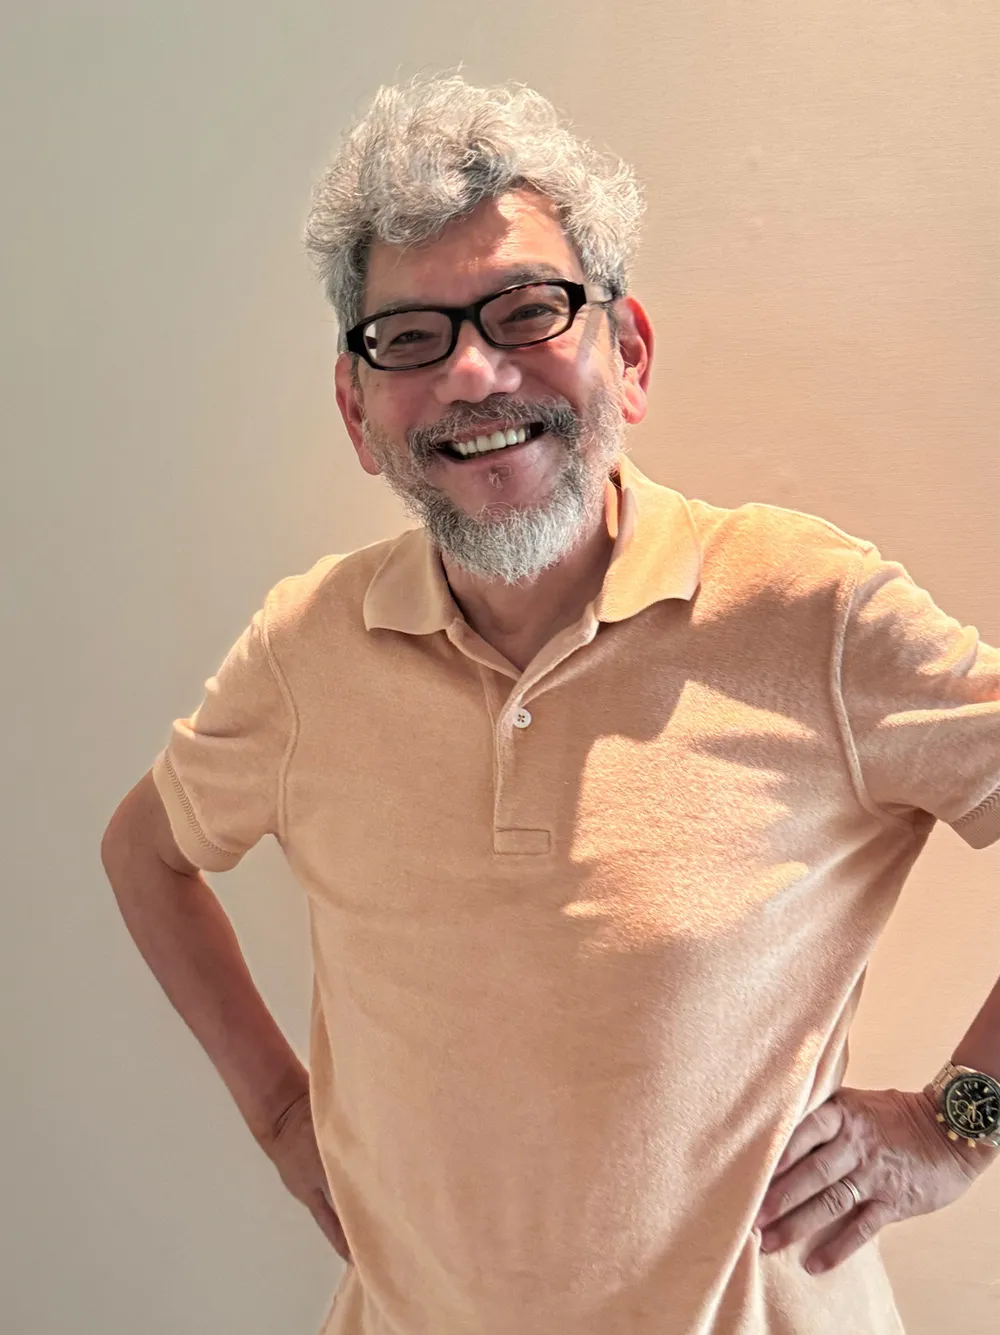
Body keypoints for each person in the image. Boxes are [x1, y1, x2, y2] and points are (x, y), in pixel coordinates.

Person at [100, 72, 1000, 1335]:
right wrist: (282, 1114)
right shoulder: (306, 653)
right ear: (358, 411)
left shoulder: (810, 615)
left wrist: (962, 1124)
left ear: (626, 355)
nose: (473, 373)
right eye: (409, 337)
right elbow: (144, 855)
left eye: (527, 311)